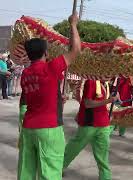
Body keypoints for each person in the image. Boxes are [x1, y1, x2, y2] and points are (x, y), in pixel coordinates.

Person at [17, 13, 80, 180]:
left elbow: (38, 94)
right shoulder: (50, 68)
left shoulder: (25, 73)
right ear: (46, 52)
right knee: (50, 172)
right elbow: (76, 50)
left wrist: (58, 99)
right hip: (49, 128)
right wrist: (73, 24)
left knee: (26, 171)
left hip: (28, 128)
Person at [63, 80, 118, 180]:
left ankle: (105, 177)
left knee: (103, 155)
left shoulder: (106, 84)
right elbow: (88, 103)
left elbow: (105, 104)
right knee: (74, 148)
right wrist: (109, 100)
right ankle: (59, 167)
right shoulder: (91, 82)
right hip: (89, 124)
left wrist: (109, 110)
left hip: (103, 124)